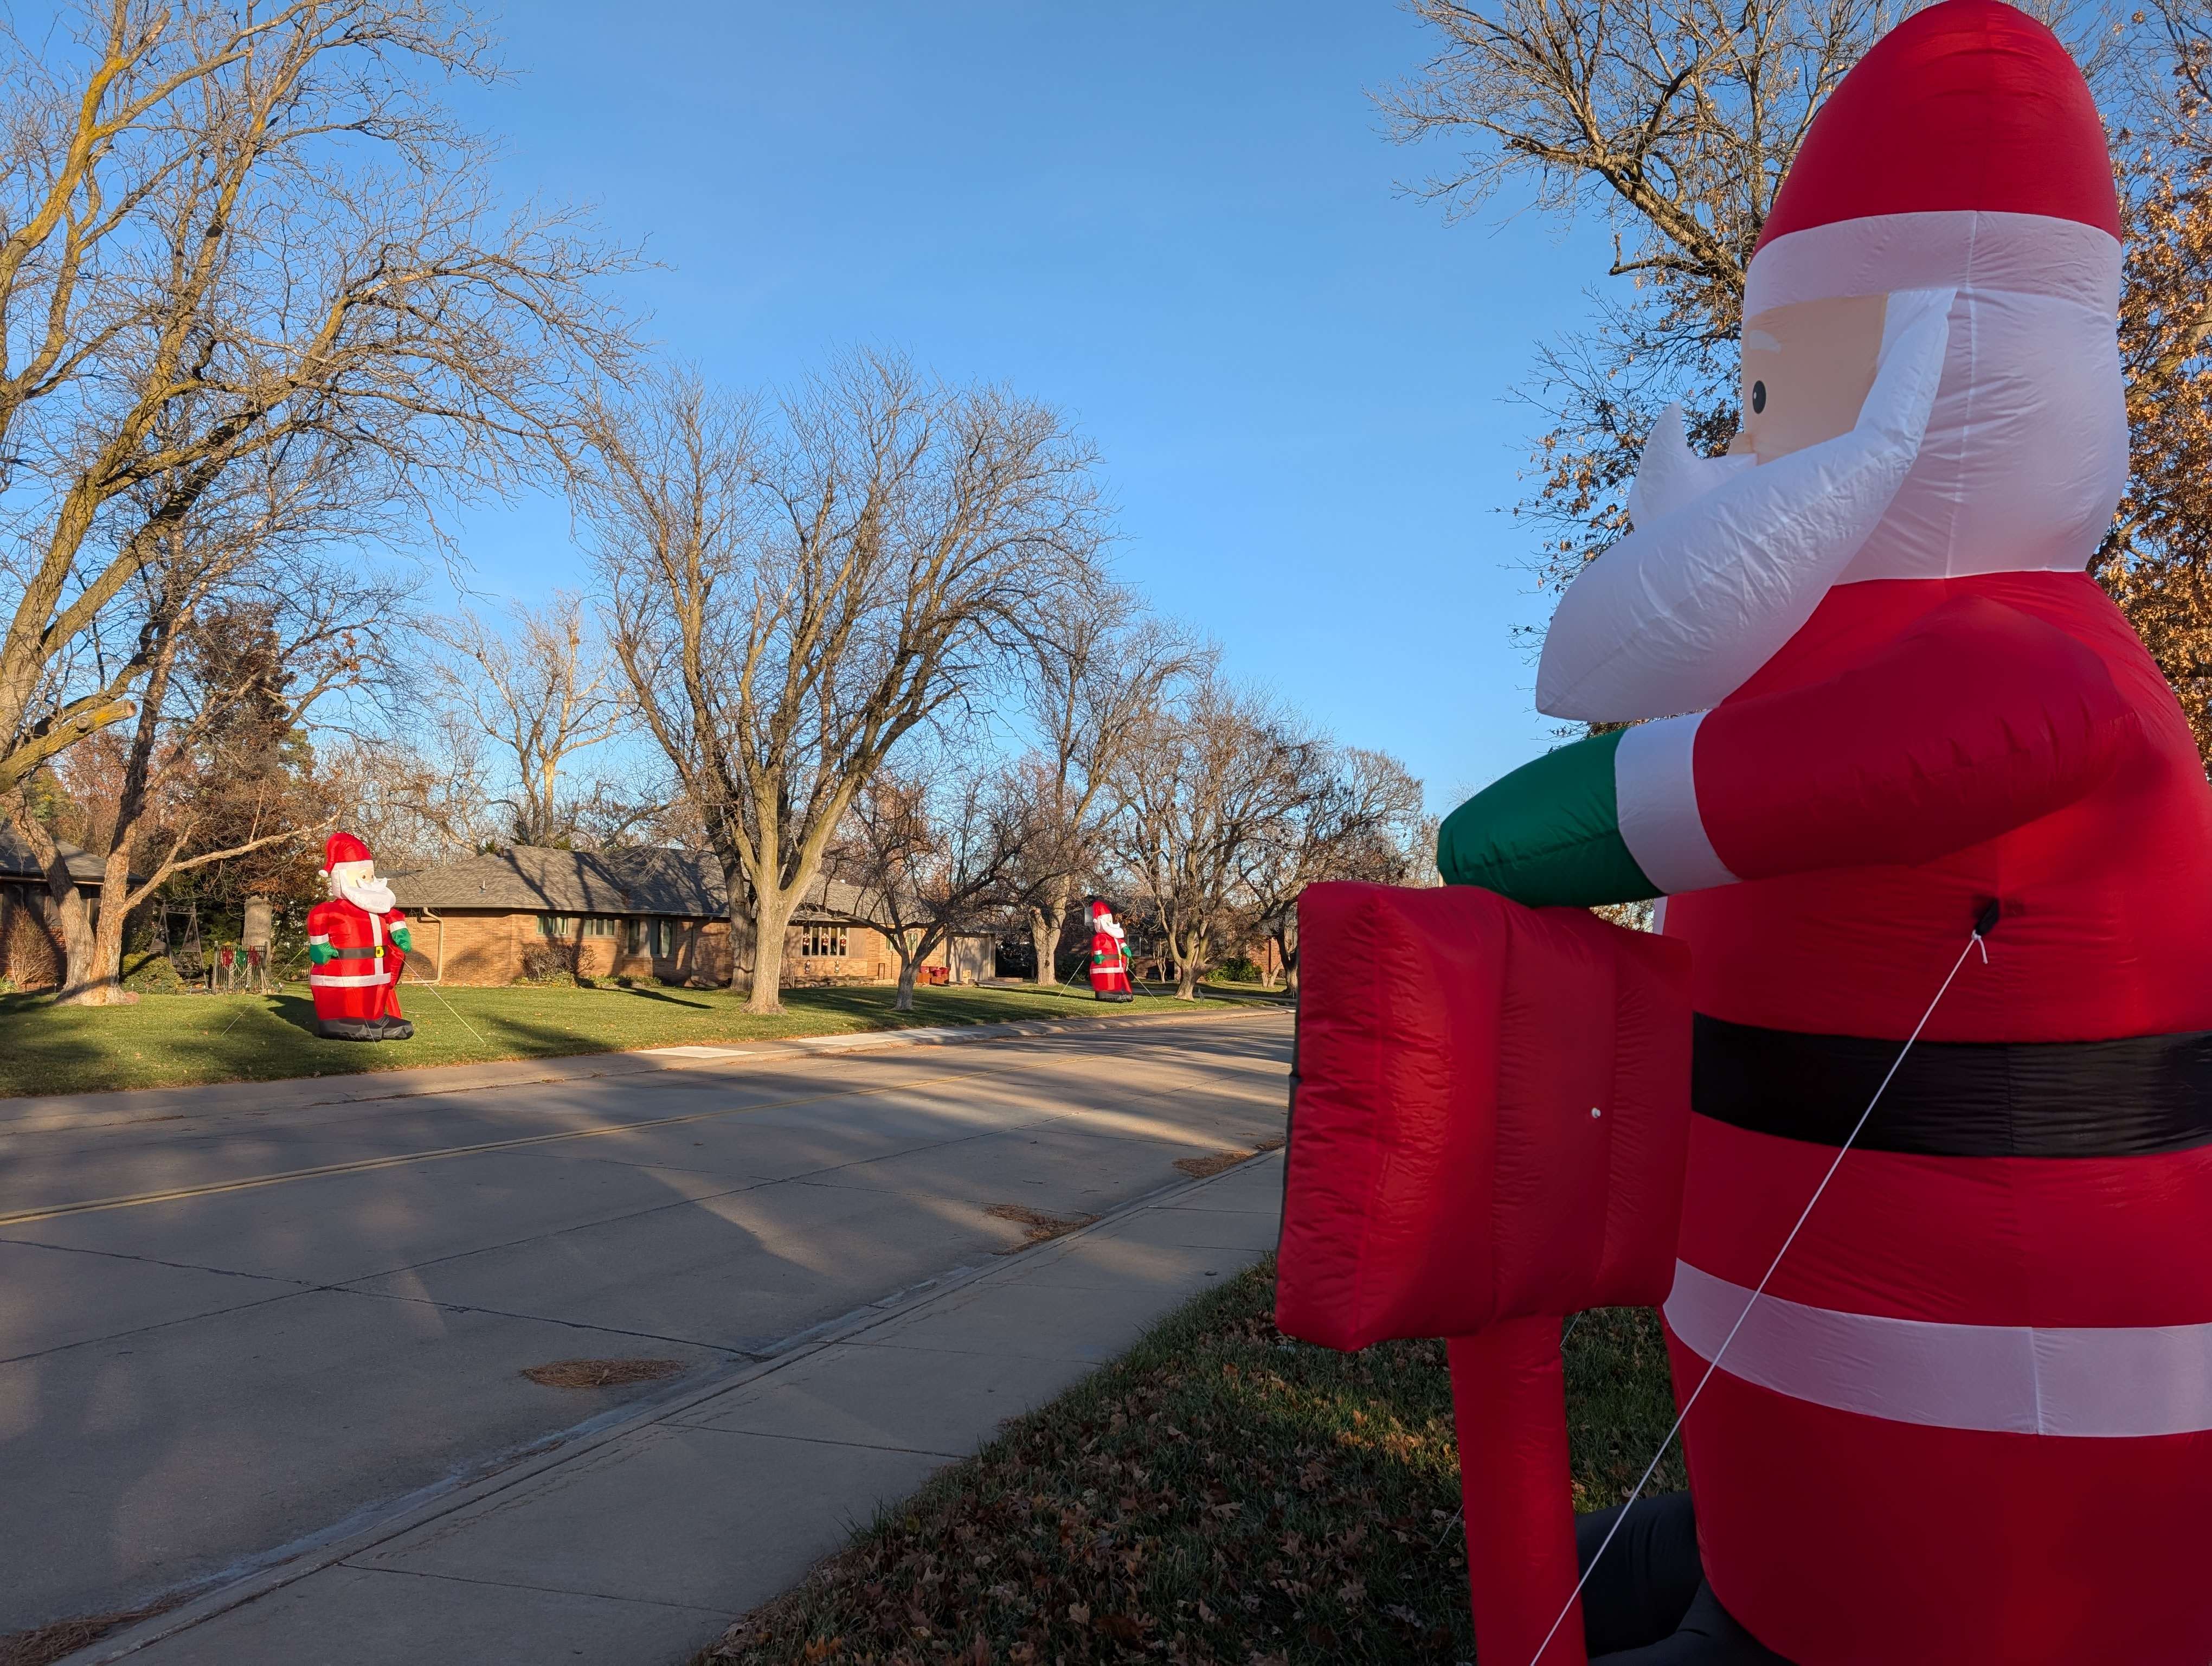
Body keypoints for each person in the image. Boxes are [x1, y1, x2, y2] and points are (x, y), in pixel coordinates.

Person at [305, 832, 415, 1041]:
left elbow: (395, 916)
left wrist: (400, 931)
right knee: (346, 994)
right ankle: (337, 1021)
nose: (370, 882)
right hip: (343, 970)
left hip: (376, 969)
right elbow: (318, 919)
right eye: (363, 876)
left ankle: (374, 1017)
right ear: (343, 877)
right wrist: (319, 945)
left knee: (373, 992)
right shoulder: (333, 910)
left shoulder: (379, 908)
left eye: (371, 876)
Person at [1086, 899, 1133, 1001]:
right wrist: (1098, 955)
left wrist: (1125, 948)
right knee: (1108, 979)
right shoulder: (1099, 937)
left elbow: (1120, 942)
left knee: (1119, 979)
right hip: (1105, 965)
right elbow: (1097, 945)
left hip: (1117, 965)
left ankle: (1123, 993)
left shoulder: (1114, 936)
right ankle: (1107, 994)